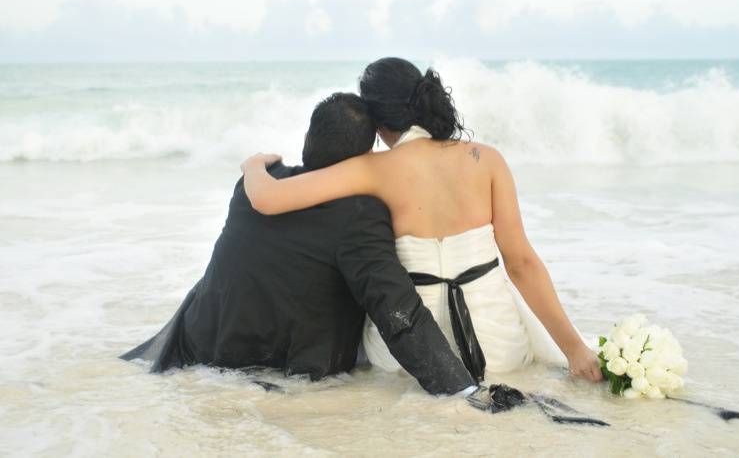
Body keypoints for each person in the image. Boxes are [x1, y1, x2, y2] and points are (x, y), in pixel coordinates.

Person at [240, 58, 603, 384]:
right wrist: (575, 350)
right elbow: (522, 264)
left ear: (377, 121)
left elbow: (267, 199)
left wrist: (253, 165)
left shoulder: (370, 170)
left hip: (408, 358)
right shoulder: (487, 160)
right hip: (499, 343)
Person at [120, 93, 477, 396]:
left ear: (308, 136)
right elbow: (397, 309)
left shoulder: (257, 185)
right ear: (363, 158)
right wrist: (461, 390)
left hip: (200, 347)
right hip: (286, 372)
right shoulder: (360, 214)